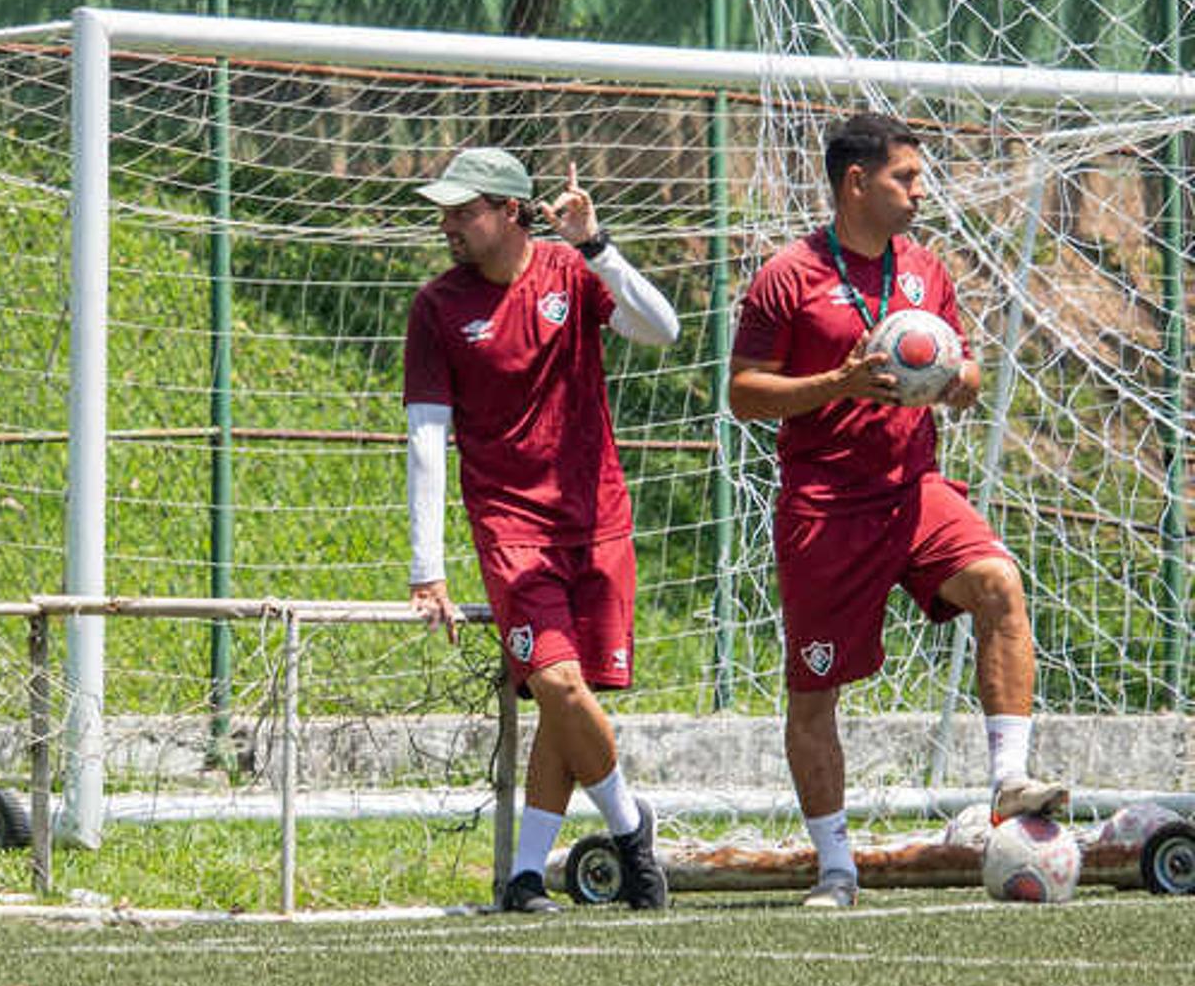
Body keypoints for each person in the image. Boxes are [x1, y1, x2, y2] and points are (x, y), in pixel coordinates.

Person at [728, 112, 1069, 909]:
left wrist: (960, 380)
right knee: (813, 694)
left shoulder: (925, 269)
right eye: (905, 178)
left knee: (998, 583)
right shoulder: (788, 275)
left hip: (913, 489)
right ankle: (837, 867)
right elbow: (743, 392)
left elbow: (968, 363)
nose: (920, 191)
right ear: (857, 183)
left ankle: (1008, 781)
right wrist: (835, 385)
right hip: (825, 508)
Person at [405, 147, 679, 913]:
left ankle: (525, 874)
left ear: (511, 212)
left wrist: (599, 247)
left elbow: (664, 329)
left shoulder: (571, 273)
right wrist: (429, 565)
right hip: (511, 531)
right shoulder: (436, 307)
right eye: (447, 210)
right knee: (559, 683)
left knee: (568, 701)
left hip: (598, 520)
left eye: (464, 210)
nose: (448, 223)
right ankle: (630, 827)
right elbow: (427, 436)